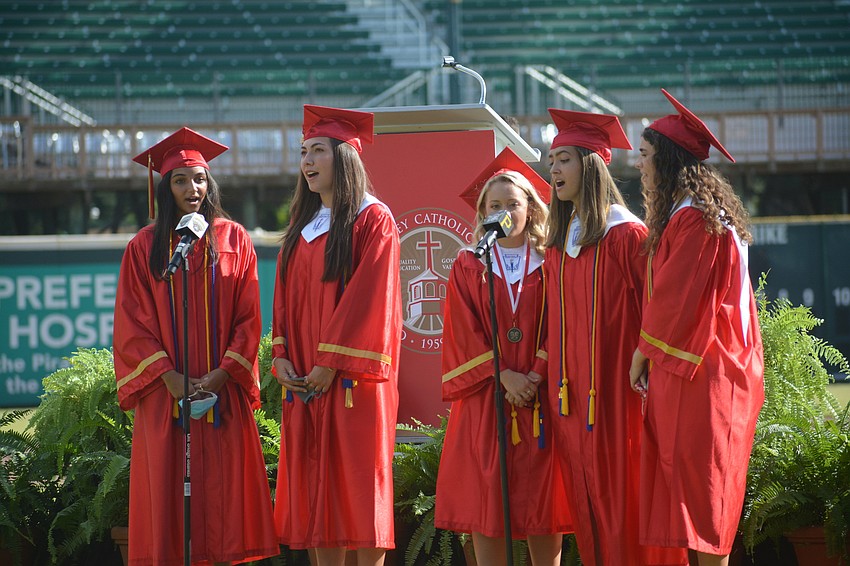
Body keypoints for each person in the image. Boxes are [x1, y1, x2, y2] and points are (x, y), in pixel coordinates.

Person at [114, 127, 279, 565]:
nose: (193, 188)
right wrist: (170, 378)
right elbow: (132, 325)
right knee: (169, 502)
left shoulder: (234, 239)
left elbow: (249, 317)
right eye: (181, 180)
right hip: (165, 396)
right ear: (165, 187)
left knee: (224, 502)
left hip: (220, 393)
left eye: (200, 178)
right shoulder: (143, 247)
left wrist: (222, 373)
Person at [545, 109, 688, 566]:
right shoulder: (561, 243)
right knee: (589, 510)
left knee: (626, 502)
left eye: (563, 159)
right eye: (551, 162)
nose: (553, 170)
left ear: (590, 166)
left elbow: (655, 315)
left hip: (619, 401)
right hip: (569, 402)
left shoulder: (627, 235)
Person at [629, 89, 765, 566]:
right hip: (701, 372)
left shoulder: (698, 220)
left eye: (645, 155)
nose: (639, 164)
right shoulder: (696, 215)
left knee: (706, 502)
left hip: (705, 374)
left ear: (666, 159)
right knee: (696, 499)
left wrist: (641, 352)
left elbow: (676, 300)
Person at [270, 105, 402, 566]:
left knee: (358, 486)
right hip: (306, 380)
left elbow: (371, 299)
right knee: (314, 489)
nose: (307, 161)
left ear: (344, 156)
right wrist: (281, 353)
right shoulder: (303, 227)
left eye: (318, 151)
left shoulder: (373, 220)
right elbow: (283, 297)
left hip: (352, 382)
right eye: (304, 152)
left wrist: (330, 362)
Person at [435, 148, 571, 566]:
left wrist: (534, 374)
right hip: (486, 401)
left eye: (514, 203)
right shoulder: (469, 263)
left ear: (531, 208)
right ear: (483, 213)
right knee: (487, 503)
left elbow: (564, 322)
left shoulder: (553, 261)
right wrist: (504, 376)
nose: (505, 211)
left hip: (541, 399)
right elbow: (462, 330)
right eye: (495, 205)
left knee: (544, 504)